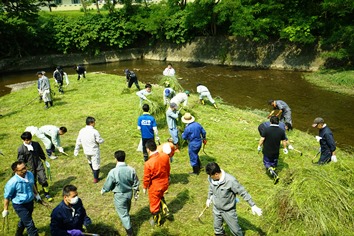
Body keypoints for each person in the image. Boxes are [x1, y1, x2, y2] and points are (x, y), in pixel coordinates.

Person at [205, 162, 262, 236]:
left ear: (216, 174)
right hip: (216, 208)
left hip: (228, 210)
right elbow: (211, 187)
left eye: (211, 175)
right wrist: (209, 198)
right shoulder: (211, 178)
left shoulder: (230, 181)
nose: (209, 177)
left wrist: (253, 205)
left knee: (236, 231)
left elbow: (243, 192)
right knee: (217, 229)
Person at [101, 150, 140, 236]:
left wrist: (103, 190)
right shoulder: (131, 169)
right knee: (126, 210)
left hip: (119, 195)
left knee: (124, 215)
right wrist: (136, 192)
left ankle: (130, 233)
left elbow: (108, 185)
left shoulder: (113, 172)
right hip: (129, 194)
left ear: (116, 159)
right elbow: (136, 182)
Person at [3, 161, 42, 236]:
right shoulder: (12, 182)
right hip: (20, 205)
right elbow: (7, 197)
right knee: (30, 224)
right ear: (15, 171)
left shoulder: (29, 174)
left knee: (25, 220)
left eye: (25, 167)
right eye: (22, 169)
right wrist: (5, 209)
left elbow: (32, 184)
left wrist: (37, 195)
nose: (25, 170)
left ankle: (18, 234)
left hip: (30, 202)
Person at [18, 131, 53, 202]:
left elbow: (41, 152)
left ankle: (46, 193)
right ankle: (36, 195)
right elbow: (20, 160)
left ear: (31, 138)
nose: (27, 141)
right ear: (23, 140)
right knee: (32, 181)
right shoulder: (21, 149)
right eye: (25, 140)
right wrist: (24, 168)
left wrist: (44, 159)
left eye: (28, 140)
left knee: (43, 178)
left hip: (38, 164)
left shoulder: (36, 144)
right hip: (29, 167)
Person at [143, 140, 170, 226]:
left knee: (154, 205)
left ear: (148, 149)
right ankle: (164, 207)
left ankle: (157, 221)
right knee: (161, 195)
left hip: (155, 186)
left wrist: (144, 187)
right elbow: (168, 169)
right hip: (165, 183)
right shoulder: (165, 156)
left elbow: (147, 178)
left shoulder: (148, 163)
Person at [257, 116, 287, 184]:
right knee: (274, 162)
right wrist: (285, 148)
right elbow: (284, 141)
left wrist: (259, 146)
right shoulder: (281, 131)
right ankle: (273, 168)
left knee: (266, 162)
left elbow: (262, 139)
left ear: (270, 121)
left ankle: (271, 171)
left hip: (267, 150)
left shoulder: (267, 130)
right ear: (278, 122)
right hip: (276, 151)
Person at [74, 116, 104, 183]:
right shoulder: (94, 131)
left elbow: (78, 141)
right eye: (94, 122)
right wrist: (103, 140)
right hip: (94, 150)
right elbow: (99, 140)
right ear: (91, 123)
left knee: (90, 161)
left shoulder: (82, 130)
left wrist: (76, 150)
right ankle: (96, 178)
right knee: (96, 164)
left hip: (86, 151)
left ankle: (93, 172)